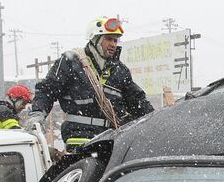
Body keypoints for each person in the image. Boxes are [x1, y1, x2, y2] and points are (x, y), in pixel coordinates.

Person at [30, 16, 154, 147]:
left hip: (112, 141)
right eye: (108, 39)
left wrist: (156, 120)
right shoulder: (71, 62)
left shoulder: (120, 71)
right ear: (95, 39)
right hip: (80, 139)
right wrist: (37, 114)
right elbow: (47, 90)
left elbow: (138, 101)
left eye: (115, 40)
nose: (113, 44)